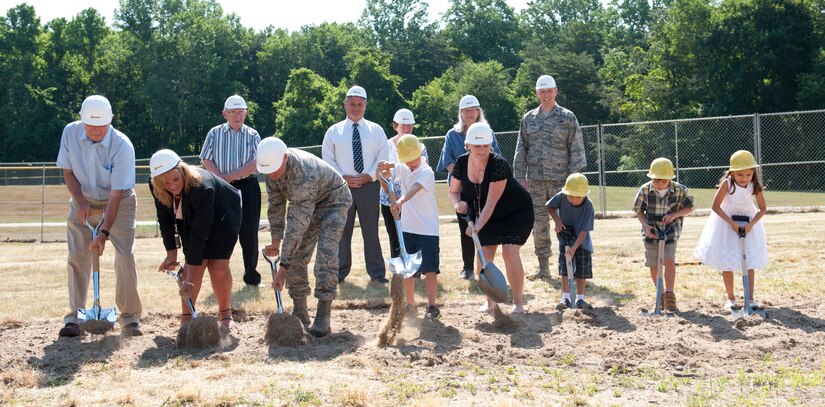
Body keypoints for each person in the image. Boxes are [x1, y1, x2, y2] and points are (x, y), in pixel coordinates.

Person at [56, 95, 143, 337]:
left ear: (111, 121)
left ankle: (129, 317)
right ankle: (74, 316)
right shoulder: (70, 133)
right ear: (82, 121)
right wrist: (81, 202)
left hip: (119, 200)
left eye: (101, 126)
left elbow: (116, 196)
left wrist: (104, 233)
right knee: (76, 254)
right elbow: (68, 173)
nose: (95, 130)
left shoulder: (122, 146)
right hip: (83, 197)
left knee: (125, 254)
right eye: (90, 125)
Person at [259, 137, 352, 337]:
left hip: (333, 202)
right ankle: (300, 310)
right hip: (309, 204)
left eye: (275, 171)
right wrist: (276, 240)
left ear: (285, 158)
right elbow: (275, 206)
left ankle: (323, 313)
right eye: (268, 173)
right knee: (297, 256)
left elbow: (296, 226)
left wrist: (282, 269)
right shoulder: (270, 168)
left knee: (325, 256)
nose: (272, 176)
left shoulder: (303, 173)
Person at [150, 150, 242, 332]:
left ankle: (225, 314)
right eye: (165, 183)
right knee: (194, 264)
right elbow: (165, 219)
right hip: (192, 215)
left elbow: (200, 235)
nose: (171, 186)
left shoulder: (202, 187)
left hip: (223, 214)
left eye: (175, 179)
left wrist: (189, 279)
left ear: (182, 171)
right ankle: (187, 317)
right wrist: (171, 254)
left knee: (217, 266)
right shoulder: (158, 186)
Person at [448, 122, 533, 314]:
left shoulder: (499, 164)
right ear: (468, 145)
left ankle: (518, 303)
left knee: (509, 253)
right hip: (487, 216)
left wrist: (476, 227)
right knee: (484, 256)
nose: (481, 150)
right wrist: (457, 204)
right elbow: (453, 191)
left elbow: (491, 202)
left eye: (485, 146)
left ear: (491, 145)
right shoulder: (461, 163)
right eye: (477, 146)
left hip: (515, 211)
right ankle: (490, 303)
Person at [514, 75, 587, 281]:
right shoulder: (528, 119)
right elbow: (522, 149)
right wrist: (520, 177)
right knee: (539, 224)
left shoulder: (568, 117)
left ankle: (569, 264)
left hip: (561, 182)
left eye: (549, 91)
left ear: (556, 91)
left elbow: (577, 148)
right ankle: (543, 268)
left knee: (566, 223)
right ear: (537, 93)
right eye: (542, 91)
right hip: (536, 181)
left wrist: (574, 179)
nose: (546, 95)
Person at [322, 85, 389, 284]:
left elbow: (383, 158)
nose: (356, 107)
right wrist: (342, 177)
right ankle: (340, 273)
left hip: (369, 187)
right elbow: (327, 159)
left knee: (371, 232)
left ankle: (377, 274)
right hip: (341, 188)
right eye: (352, 103)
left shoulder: (376, 130)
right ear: (345, 104)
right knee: (342, 232)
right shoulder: (334, 131)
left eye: (360, 104)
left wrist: (369, 176)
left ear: (365, 105)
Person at [436, 95, 501, 281]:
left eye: (472, 109)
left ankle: (486, 265)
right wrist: (463, 176)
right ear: (460, 113)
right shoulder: (452, 134)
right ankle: (467, 268)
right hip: (461, 189)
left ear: (478, 111)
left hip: (483, 186)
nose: (469, 113)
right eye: (465, 110)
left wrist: (479, 175)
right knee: (466, 227)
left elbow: (495, 157)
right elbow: (447, 161)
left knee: (485, 225)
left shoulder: (488, 132)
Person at [200, 95, 262, 286]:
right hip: (220, 186)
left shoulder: (253, 135)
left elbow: (256, 162)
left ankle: (251, 275)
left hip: (247, 186)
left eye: (240, 112)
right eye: (233, 112)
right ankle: (217, 274)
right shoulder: (214, 133)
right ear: (224, 114)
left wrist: (231, 176)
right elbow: (206, 159)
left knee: (249, 231)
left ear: (246, 113)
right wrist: (221, 178)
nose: (237, 116)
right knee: (219, 230)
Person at [376, 135, 441, 319]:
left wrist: (400, 201)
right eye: (407, 160)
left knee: (430, 269)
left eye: (413, 158)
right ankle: (410, 304)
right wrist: (379, 172)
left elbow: (413, 190)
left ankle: (432, 305)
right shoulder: (403, 167)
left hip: (428, 229)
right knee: (407, 270)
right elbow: (387, 178)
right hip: (407, 228)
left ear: (420, 154)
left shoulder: (426, 171)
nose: (410, 163)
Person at [693, 150, 768, 310]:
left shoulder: (754, 186)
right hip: (727, 225)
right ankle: (731, 299)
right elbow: (715, 206)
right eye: (740, 175)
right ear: (732, 172)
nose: (744, 178)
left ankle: (750, 298)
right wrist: (732, 224)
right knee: (727, 262)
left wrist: (750, 225)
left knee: (749, 261)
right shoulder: (727, 184)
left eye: (748, 174)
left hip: (748, 225)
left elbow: (762, 209)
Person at [632, 157, 695, 312]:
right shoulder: (645, 189)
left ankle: (669, 295)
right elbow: (638, 209)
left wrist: (674, 215)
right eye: (656, 180)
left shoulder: (680, 190)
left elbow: (690, 206)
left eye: (663, 181)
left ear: (670, 179)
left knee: (668, 260)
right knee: (653, 263)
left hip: (670, 231)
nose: (659, 184)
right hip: (651, 231)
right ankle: (660, 293)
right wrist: (645, 225)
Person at [380, 109, 428, 268]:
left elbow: (421, 171)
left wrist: (404, 198)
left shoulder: (419, 146)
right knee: (394, 236)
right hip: (389, 200)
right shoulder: (386, 146)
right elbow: (382, 173)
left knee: (414, 233)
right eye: (403, 125)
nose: (407, 128)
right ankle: (399, 269)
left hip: (412, 198)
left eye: (410, 125)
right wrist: (392, 195)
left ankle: (417, 268)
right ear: (396, 126)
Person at [546, 173, 596, 310]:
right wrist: (557, 221)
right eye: (570, 196)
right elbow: (550, 206)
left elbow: (584, 231)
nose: (573, 199)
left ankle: (580, 299)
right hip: (564, 238)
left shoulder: (588, 206)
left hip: (581, 242)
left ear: (584, 195)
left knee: (581, 270)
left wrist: (574, 248)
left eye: (577, 196)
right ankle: (566, 298)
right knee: (564, 269)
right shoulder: (562, 196)